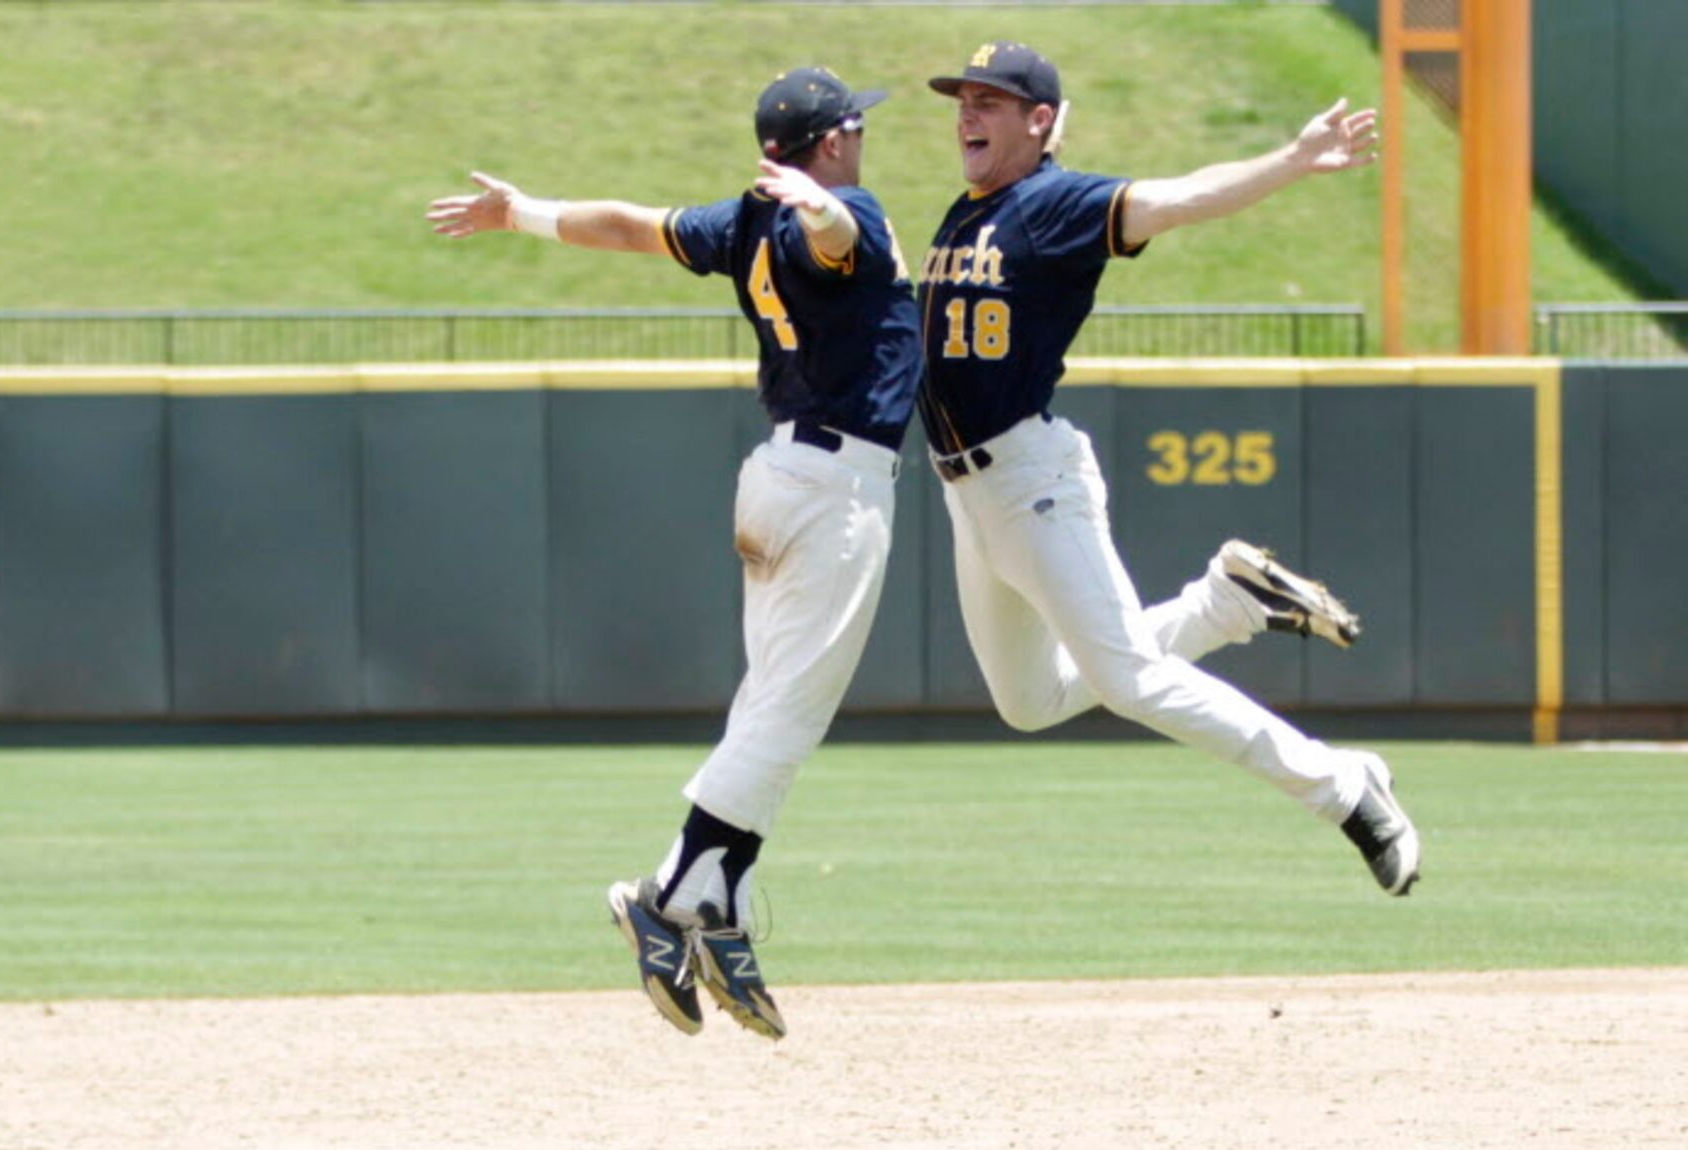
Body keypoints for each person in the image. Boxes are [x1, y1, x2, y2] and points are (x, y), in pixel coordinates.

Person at [428, 66, 923, 1041]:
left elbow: (626, 225)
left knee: (770, 703)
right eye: (854, 126)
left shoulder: (738, 221)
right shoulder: (837, 208)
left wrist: (522, 213)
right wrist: (826, 210)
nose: (863, 138)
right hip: (835, 486)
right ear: (831, 141)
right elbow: (833, 238)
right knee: (786, 711)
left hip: (783, 474)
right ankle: (666, 895)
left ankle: (718, 897)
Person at [918, 41, 1422, 894]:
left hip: (1028, 482)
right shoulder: (968, 213)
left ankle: (1344, 790)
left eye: (990, 101)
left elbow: (1176, 199)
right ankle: (1223, 605)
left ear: (1040, 122)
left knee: (1130, 681)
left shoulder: (1054, 204)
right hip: (967, 492)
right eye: (963, 98)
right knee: (1028, 700)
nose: (967, 112)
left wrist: (1293, 162)